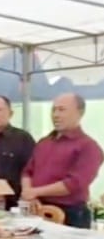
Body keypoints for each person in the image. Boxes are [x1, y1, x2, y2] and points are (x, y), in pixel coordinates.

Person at [21, 93, 103, 228]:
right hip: (37, 208)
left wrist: (35, 192)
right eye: (53, 110)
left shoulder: (89, 147)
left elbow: (74, 183)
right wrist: (29, 194)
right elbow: (27, 172)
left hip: (70, 215)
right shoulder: (44, 142)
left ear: (79, 113)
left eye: (62, 110)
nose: (56, 115)